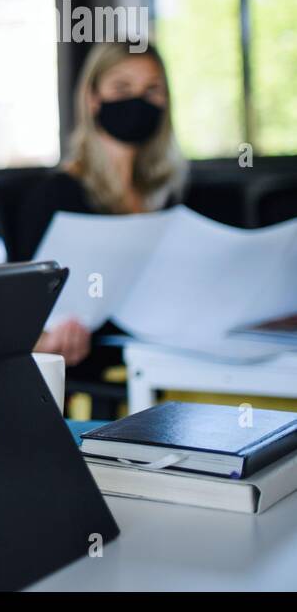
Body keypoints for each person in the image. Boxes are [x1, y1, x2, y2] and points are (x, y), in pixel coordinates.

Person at [28, 40, 188, 369]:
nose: (138, 101)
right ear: (93, 98)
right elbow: (27, 317)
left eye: (152, 89)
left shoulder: (168, 193)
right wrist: (48, 339)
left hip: (165, 357)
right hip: (102, 370)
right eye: (122, 87)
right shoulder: (56, 195)